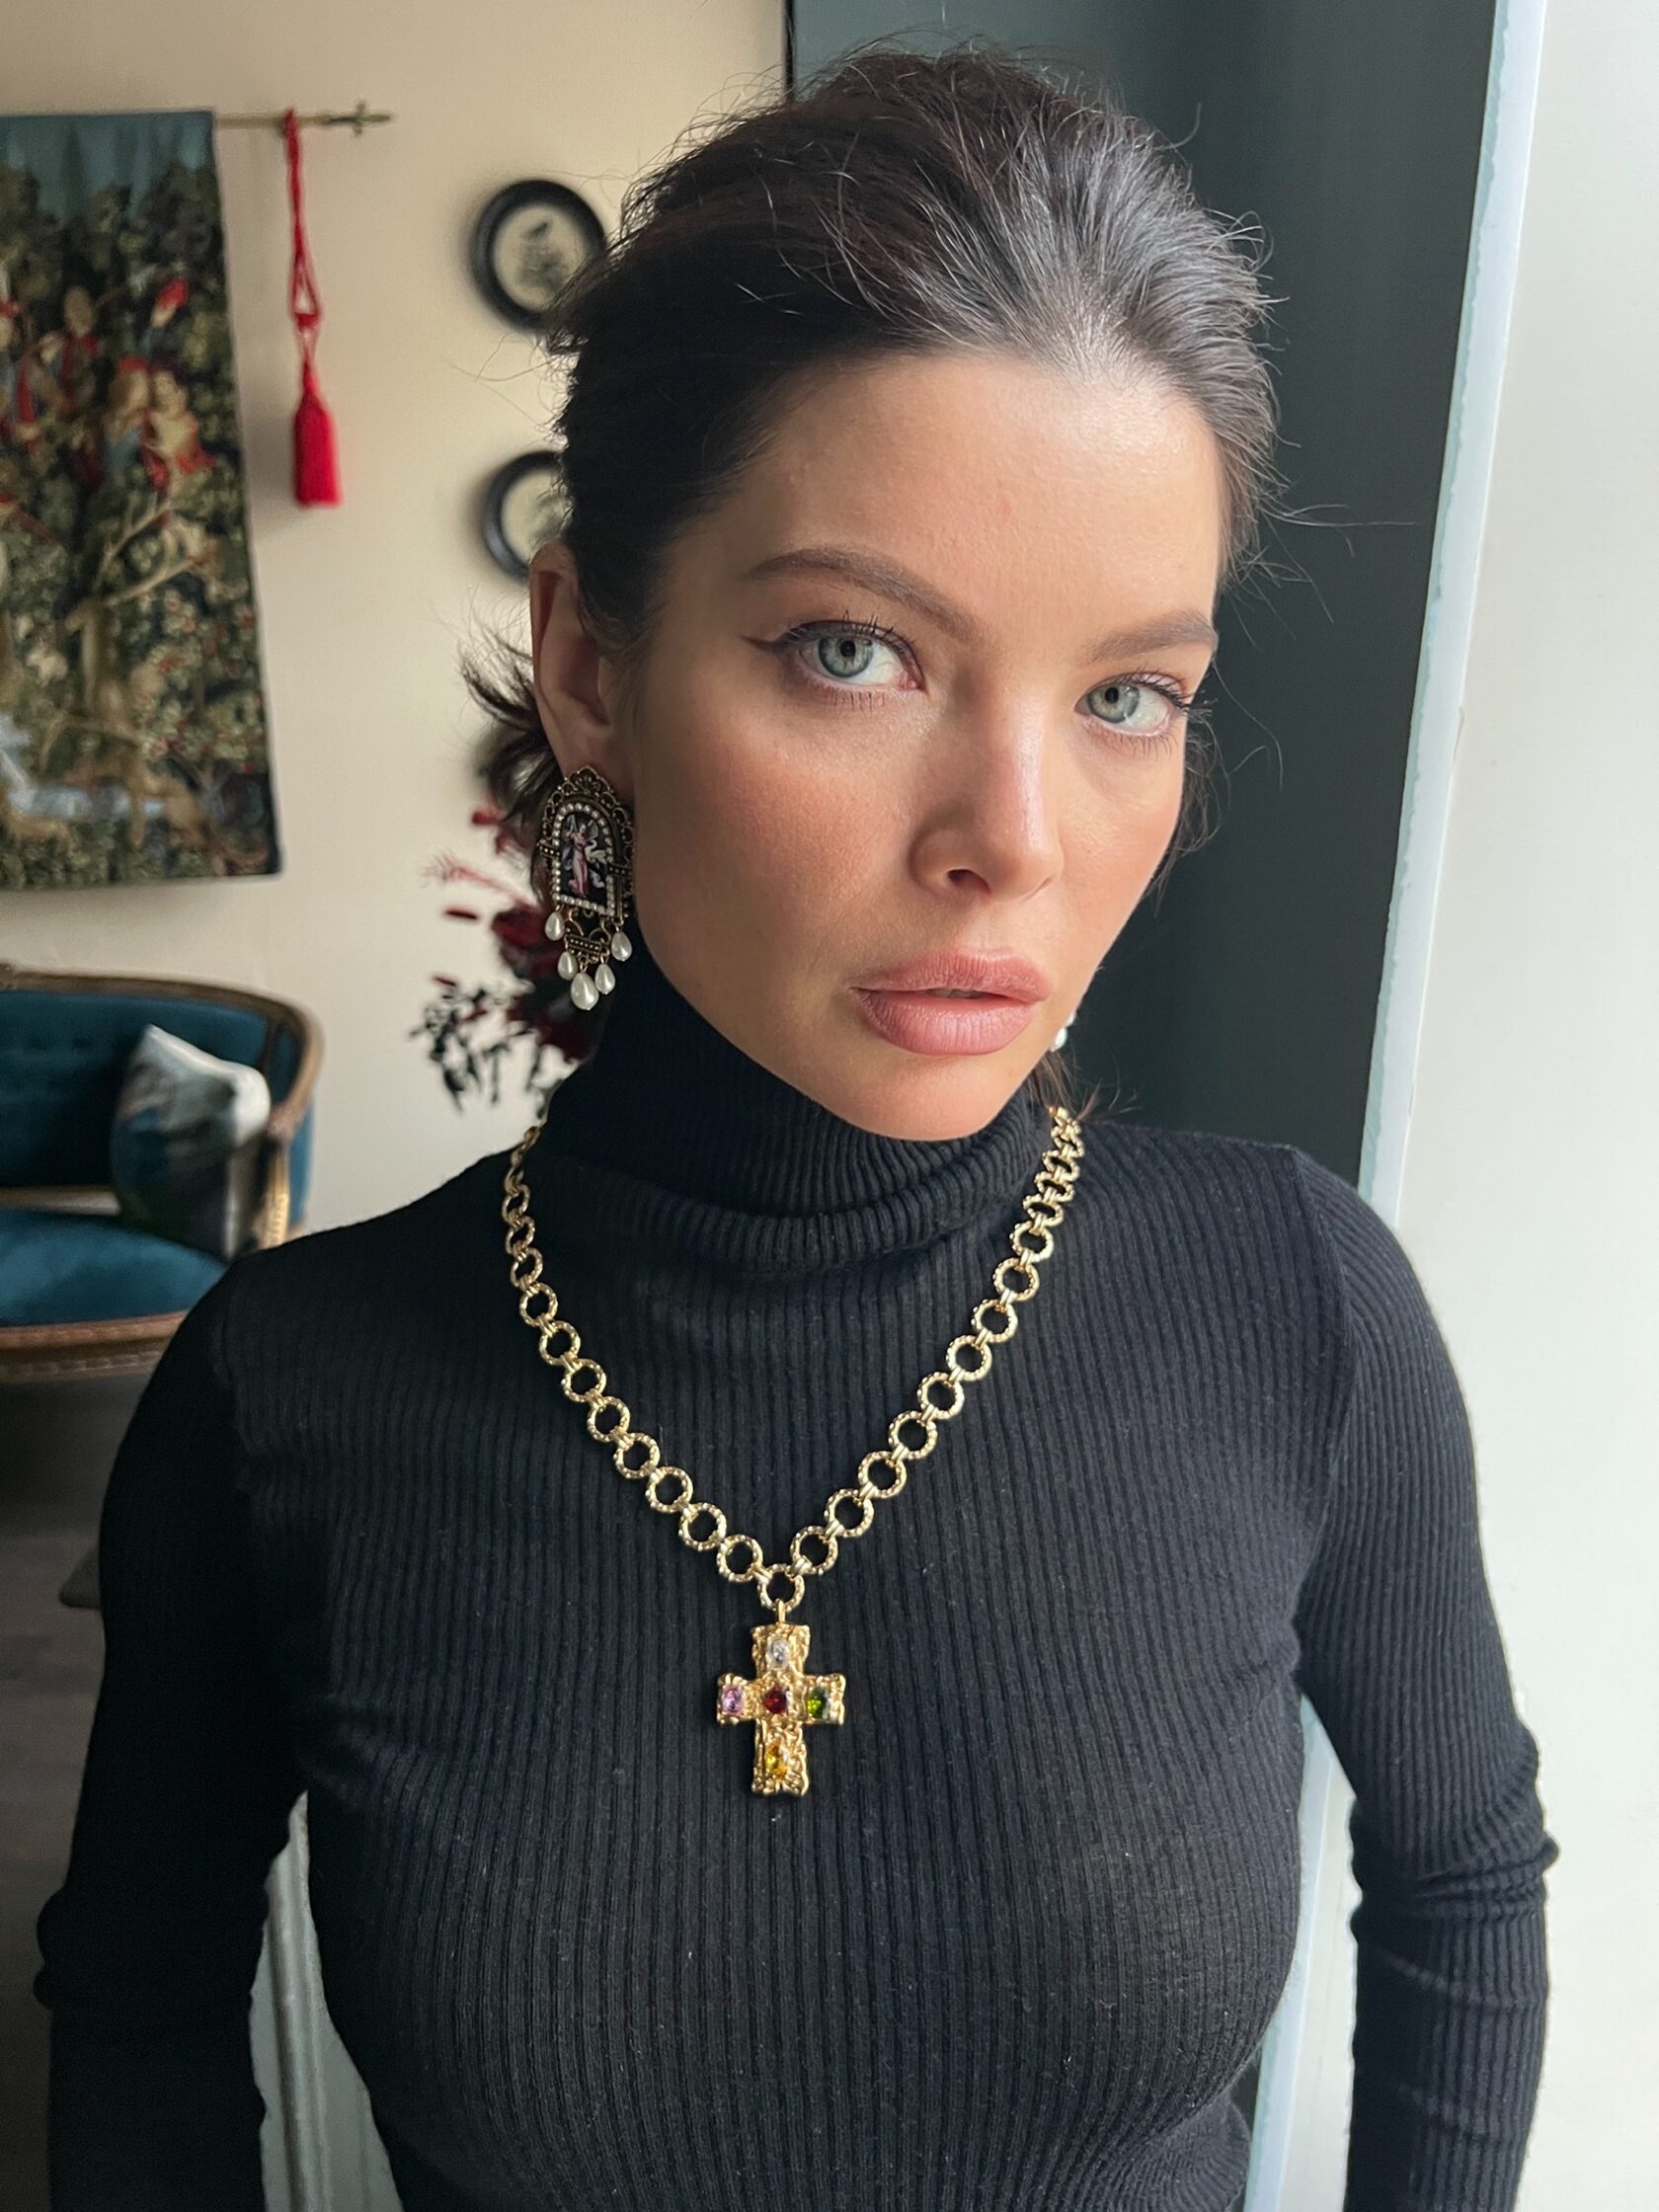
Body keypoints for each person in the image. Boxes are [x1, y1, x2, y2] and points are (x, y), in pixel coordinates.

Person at [32, 40, 1557, 2212]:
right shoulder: (293, 1399)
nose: (1014, 840)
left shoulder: (1293, 1302)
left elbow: (1466, 1877)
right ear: (590, 665)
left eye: (1128, 694)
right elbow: (142, 2004)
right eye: (855, 651)